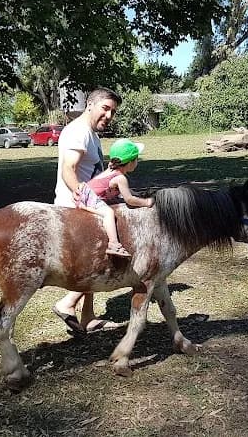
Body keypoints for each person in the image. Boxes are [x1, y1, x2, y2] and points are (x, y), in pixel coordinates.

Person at [52, 87, 125, 334]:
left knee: (95, 258)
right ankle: (67, 304)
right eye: (105, 108)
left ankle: (88, 317)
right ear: (90, 105)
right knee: (100, 259)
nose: (109, 115)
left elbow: (90, 174)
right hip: (74, 208)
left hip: (84, 200)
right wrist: (83, 197)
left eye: (112, 111)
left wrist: (109, 176)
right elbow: (69, 170)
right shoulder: (79, 132)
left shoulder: (91, 135)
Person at [77, 138, 154, 257]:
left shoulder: (111, 168)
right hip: (91, 197)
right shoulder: (120, 178)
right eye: (136, 159)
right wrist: (147, 202)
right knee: (108, 213)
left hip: (85, 192)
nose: (137, 162)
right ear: (130, 162)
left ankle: (85, 206)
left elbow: (123, 192)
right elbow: (129, 200)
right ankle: (113, 244)